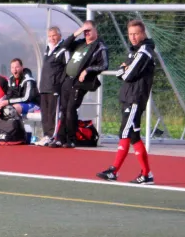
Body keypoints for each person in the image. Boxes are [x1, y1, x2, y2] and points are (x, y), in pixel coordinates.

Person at [97, 20, 156, 184]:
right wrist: (123, 70)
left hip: (135, 99)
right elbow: (121, 71)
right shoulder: (134, 51)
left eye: (136, 33)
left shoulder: (145, 51)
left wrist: (124, 70)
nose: (133, 37)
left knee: (125, 132)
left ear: (143, 33)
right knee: (134, 136)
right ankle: (146, 174)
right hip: (128, 97)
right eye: (130, 34)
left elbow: (127, 74)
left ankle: (114, 170)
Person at [50, 21, 108, 149]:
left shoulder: (100, 46)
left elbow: (104, 65)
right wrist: (78, 32)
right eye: (85, 31)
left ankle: (71, 139)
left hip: (80, 82)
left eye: (89, 30)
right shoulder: (80, 43)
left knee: (71, 109)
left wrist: (87, 70)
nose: (87, 33)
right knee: (64, 110)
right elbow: (64, 46)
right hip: (67, 79)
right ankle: (60, 138)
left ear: (95, 31)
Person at [35, 27, 70, 146]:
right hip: (44, 87)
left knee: (52, 113)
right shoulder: (47, 49)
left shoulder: (63, 50)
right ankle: (46, 135)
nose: (52, 38)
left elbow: (68, 69)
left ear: (59, 36)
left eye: (54, 36)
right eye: (49, 36)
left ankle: (52, 136)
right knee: (44, 113)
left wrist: (60, 83)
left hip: (54, 87)